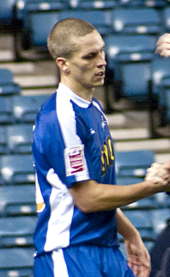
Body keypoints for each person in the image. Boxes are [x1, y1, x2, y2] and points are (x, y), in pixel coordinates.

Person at [32, 18, 170, 277]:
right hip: (70, 253)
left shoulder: (94, 109)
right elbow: (87, 198)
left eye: (102, 50)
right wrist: (152, 187)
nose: (102, 61)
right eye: (90, 56)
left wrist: (130, 233)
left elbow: (96, 185)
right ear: (64, 64)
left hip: (106, 249)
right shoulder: (60, 116)